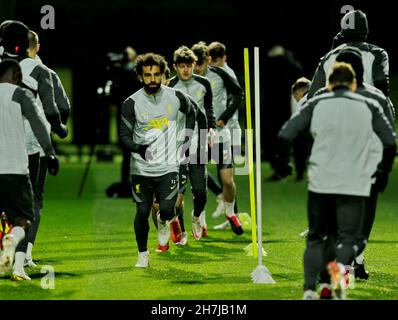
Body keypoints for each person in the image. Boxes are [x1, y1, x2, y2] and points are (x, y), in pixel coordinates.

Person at [275, 62, 396, 299]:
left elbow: (286, 133)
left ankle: (310, 288)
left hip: (321, 180)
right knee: (348, 238)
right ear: (353, 84)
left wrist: (282, 165)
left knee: (317, 237)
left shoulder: (317, 101)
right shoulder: (369, 104)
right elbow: (390, 141)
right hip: (354, 182)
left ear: (329, 83)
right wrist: (382, 172)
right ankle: (338, 280)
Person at [311, 46, 396, 282]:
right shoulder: (379, 95)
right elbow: (389, 138)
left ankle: (341, 268)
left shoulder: (323, 93)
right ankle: (345, 268)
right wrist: (384, 169)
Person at [0, 21, 67, 279]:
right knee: (28, 211)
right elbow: (47, 115)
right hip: (22, 155)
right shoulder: (39, 73)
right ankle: (21, 261)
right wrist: (54, 142)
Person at [120, 53, 195, 267]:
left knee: (169, 208)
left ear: (163, 75)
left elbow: (192, 113)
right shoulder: (131, 103)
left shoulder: (176, 96)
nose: (152, 79)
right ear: (140, 77)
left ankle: (164, 221)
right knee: (142, 211)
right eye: (147, 75)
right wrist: (139, 148)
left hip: (169, 164)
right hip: (141, 167)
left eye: (156, 75)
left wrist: (187, 139)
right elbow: (124, 136)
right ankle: (142, 255)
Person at [21, 30, 71, 269]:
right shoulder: (45, 73)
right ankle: (26, 254)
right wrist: (58, 128)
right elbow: (62, 107)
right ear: (37, 46)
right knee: (34, 200)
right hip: (36, 146)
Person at [191, 41, 244, 235]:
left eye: (201, 63)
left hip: (223, 133)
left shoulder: (221, 74)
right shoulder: (188, 79)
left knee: (228, 180)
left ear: (209, 60)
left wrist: (224, 118)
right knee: (198, 181)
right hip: (196, 135)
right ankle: (202, 221)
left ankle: (231, 211)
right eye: (194, 63)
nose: (197, 67)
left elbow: (239, 94)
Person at [168, 45, 216, 242]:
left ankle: (197, 216)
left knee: (200, 191)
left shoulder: (204, 83)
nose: (186, 69)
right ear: (175, 67)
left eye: (189, 65)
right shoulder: (169, 86)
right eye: (181, 66)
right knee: (178, 192)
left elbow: (208, 108)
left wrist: (211, 128)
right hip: (177, 145)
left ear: (195, 65)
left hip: (199, 143)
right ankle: (183, 231)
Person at [307, 9, 392, 102]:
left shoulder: (328, 57)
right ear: (366, 32)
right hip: (366, 111)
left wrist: (332, 51)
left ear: (343, 33)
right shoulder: (378, 54)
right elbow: (381, 83)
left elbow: (312, 95)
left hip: (334, 113)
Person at [262, 45, 303, 181]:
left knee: (293, 141)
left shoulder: (290, 69)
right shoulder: (283, 69)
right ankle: (284, 171)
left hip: (289, 109)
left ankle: (294, 170)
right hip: (278, 111)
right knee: (278, 142)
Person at [290, 77, 312, 182]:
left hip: (306, 131)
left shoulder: (304, 101)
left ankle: (300, 173)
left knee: (300, 152)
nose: (295, 99)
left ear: (299, 92)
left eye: (295, 96)